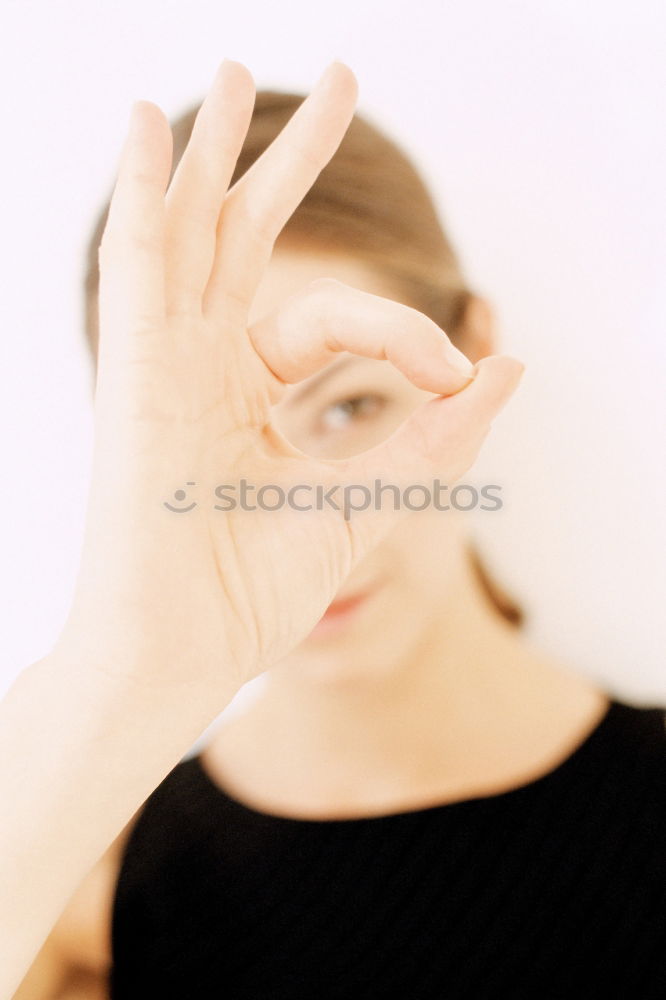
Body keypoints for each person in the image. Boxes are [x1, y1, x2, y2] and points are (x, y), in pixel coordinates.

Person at [4, 59, 665, 999]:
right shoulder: (87, 889)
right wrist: (117, 681)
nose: (296, 509)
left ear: (472, 353)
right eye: (224, 459)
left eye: (352, 406)